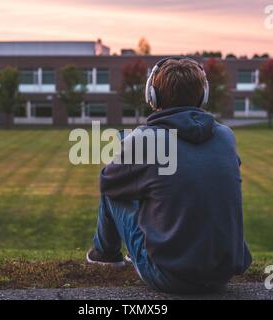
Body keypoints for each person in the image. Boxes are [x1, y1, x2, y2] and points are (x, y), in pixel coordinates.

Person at [86, 57, 252, 294]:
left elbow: (108, 182)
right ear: (203, 94)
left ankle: (106, 254)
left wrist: (125, 148)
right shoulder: (225, 135)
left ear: (152, 96)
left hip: (168, 275)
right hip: (222, 274)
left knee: (116, 191)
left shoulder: (146, 140)